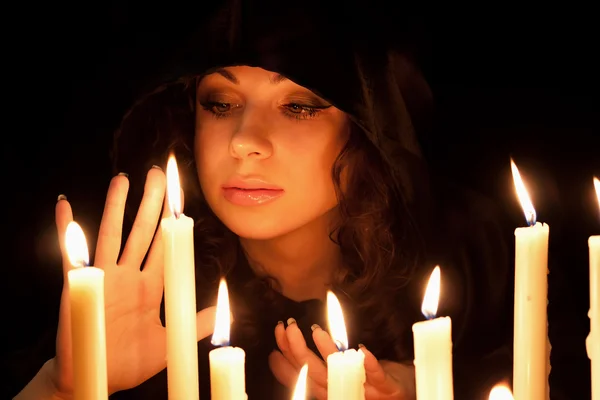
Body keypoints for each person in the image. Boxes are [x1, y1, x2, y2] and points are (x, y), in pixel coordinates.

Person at [14, 1, 512, 399]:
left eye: (297, 107)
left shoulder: (473, 253)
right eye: (221, 104)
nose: (243, 141)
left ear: (364, 132)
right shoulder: (140, 293)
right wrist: (65, 389)